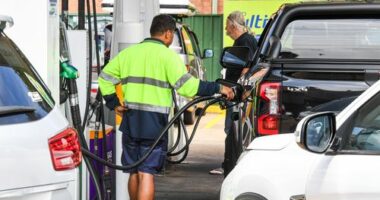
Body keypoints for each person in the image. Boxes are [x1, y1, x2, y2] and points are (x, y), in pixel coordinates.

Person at [98, 14, 234, 200]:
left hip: (131, 120)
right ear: (168, 34)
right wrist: (219, 87)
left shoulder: (129, 54)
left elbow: (104, 78)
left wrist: (114, 103)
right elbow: (189, 87)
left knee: (134, 172)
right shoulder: (168, 57)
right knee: (147, 173)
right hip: (154, 124)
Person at [209, 11, 258, 177]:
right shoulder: (242, 41)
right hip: (233, 93)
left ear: (233, 26)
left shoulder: (246, 41)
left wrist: (240, 90)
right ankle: (230, 163)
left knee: (232, 130)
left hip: (237, 95)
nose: (225, 30)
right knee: (231, 129)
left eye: (226, 27)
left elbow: (247, 68)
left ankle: (230, 165)